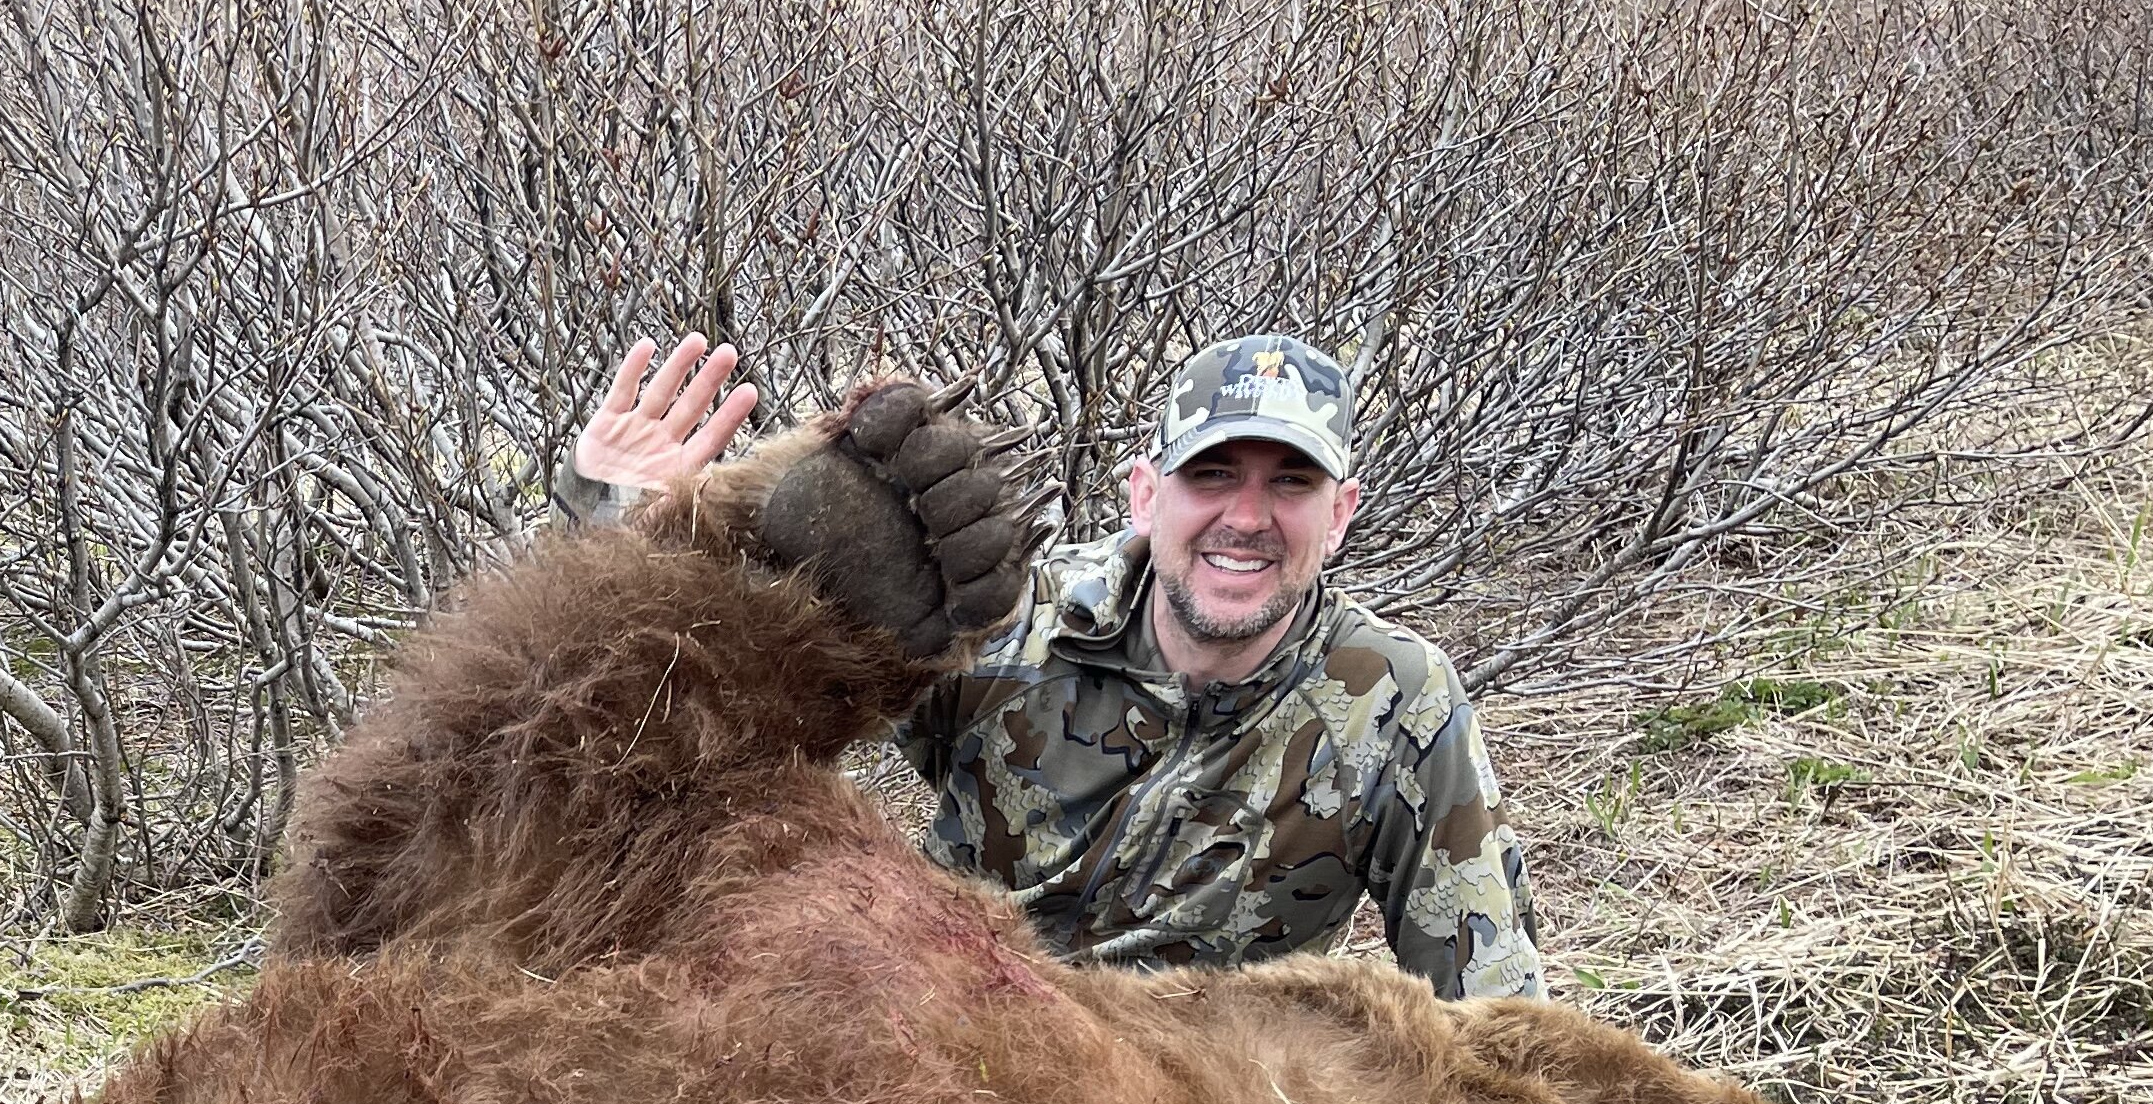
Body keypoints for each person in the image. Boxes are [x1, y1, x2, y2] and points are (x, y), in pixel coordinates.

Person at [573, 331, 1548, 1002]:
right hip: (931, 1058)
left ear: (1338, 517)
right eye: (1212, 475)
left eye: (1290, 484)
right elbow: (704, 724)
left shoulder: (1393, 703)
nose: (1246, 519)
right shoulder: (1009, 620)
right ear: (1143, 494)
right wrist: (639, 537)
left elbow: (1497, 1006)